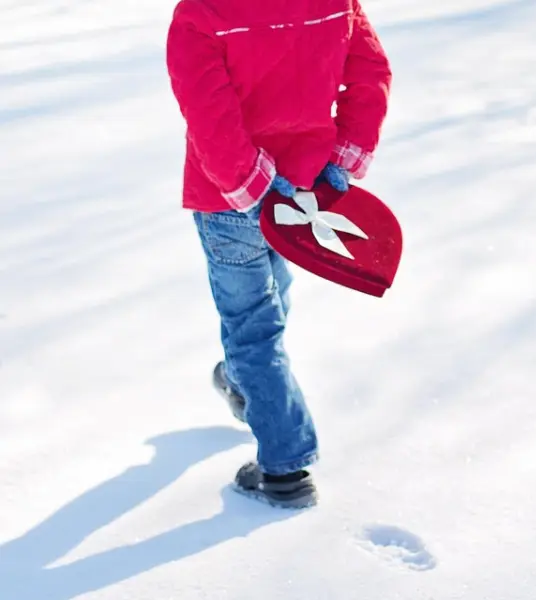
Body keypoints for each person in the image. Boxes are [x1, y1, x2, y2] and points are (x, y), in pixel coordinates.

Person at [165, 0, 392, 508]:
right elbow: (370, 71)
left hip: (233, 196)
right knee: (267, 301)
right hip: (300, 191)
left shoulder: (200, 13)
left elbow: (208, 114)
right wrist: (343, 152)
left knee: (251, 324)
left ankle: (284, 468)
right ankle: (248, 379)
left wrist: (252, 182)